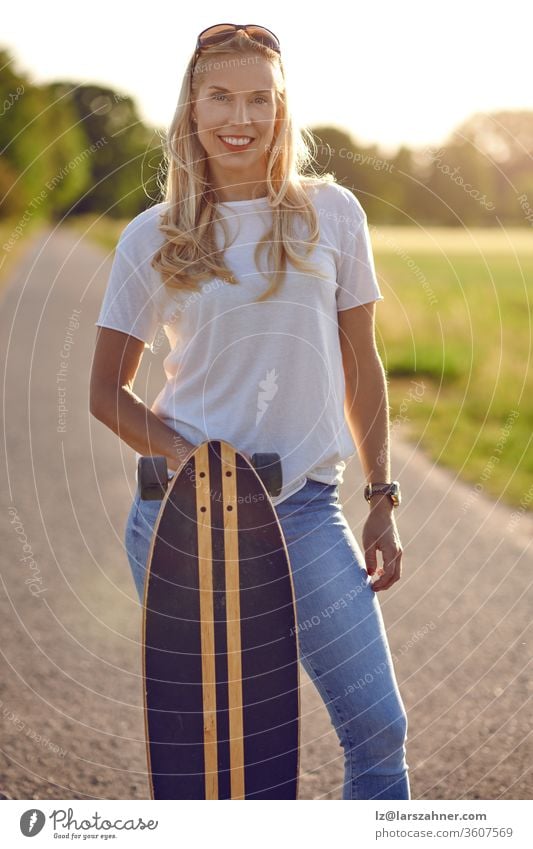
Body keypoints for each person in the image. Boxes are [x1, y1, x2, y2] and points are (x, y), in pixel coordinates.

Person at [90, 23, 410, 801]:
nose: (241, 117)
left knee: (377, 729)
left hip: (302, 509)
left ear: (281, 107)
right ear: (191, 107)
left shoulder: (332, 214)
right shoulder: (153, 237)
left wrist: (379, 497)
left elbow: (360, 365)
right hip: (187, 521)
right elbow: (106, 393)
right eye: (221, 97)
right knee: (229, 760)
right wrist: (189, 460)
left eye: (259, 99)